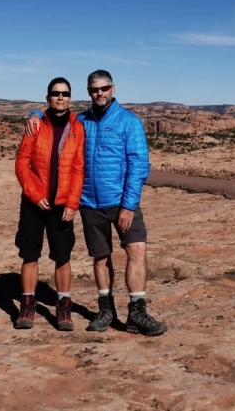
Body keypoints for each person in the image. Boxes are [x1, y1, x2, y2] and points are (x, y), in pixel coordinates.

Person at [29, 70, 167, 336]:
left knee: (136, 250)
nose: (99, 93)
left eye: (104, 88)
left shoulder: (129, 122)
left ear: (113, 88)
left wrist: (128, 205)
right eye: (94, 90)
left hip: (121, 202)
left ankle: (137, 312)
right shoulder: (80, 122)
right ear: (89, 91)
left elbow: (138, 165)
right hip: (90, 203)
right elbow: (52, 118)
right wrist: (34, 113)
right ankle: (106, 310)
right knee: (100, 257)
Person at [13, 77, 85, 331]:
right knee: (30, 254)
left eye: (65, 93)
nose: (60, 97)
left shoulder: (78, 127)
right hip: (34, 204)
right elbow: (22, 164)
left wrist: (72, 203)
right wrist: (35, 194)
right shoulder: (36, 125)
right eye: (56, 93)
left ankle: (63, 307)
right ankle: (27, 305)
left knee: (62, 256)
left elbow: (78, 169)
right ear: (48, 97)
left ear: (70, 97)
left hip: (62, 204)